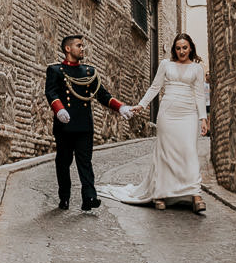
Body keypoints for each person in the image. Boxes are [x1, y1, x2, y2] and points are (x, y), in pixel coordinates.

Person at [100, 33, 210, 213]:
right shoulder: (166, 64)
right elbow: (155, 87)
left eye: (185, 47)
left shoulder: (197, 69)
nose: (181, 51)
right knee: (165, 153)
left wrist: (202, 119)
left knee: (189, 152)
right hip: (168, 113)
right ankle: (160, 193)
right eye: (178, 48)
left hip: (188, 113)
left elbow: (199, 94)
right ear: (174, 49)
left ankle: (195, 194)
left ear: (191, 48)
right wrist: (141, 105)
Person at [43, 34, 135, 211]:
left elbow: (102, 95)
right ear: (68, 49)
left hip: (84, 125)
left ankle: (89, 198)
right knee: (63, 162)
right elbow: (51, 93)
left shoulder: (89, 72)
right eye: (79, 46)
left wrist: (121, 107)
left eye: (83, 46)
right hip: (64, 125)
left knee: (85, 161)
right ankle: (64, 197)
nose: (82, 49)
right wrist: (59, 109)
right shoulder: (55, 70)